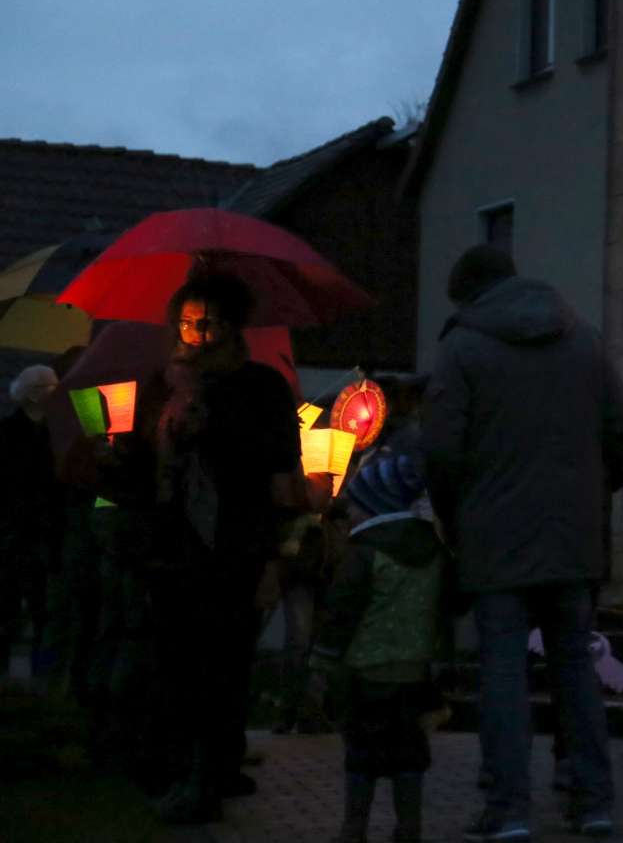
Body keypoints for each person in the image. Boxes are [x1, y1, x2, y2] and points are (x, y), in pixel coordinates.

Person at [423, 245, 623, 842]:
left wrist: (456, 517)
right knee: (574, 666)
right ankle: (594, 802)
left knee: (503, 671)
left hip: (496, 538)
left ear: (467, 295)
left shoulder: (462, 347)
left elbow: (440, 451)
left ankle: (508, 809)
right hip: (573, 536)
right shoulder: (583, 338)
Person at [119, 272, 304, 824]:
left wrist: (216, 430)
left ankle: (211, 773)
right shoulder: (162, 386)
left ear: (231, 326)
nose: (198, 334)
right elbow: (139, 468)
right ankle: (182, 769)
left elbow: (275, 460)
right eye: (188, 323)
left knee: (223, 665)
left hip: (233, 547)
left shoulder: (260, 386)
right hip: (173, 546)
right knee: (177, 664)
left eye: (210, 323)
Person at [310, 454, 447, 843]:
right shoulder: (433, 551)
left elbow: (341, 612)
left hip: (365, 674)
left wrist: (322, 663)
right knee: (409, 756)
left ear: (373, 506)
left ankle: (354, 827)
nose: (347, 511)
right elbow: (447, 606)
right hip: (415, 673)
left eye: (354, 503)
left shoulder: (363, 553)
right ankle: (409, 826)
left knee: (361, 756)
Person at [0, 364, 60, 682]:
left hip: (22, 527)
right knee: (34, 607)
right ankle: (40, 675)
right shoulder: (53, 433)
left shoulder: (12, 431)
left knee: (21, 606)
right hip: (31, 527)